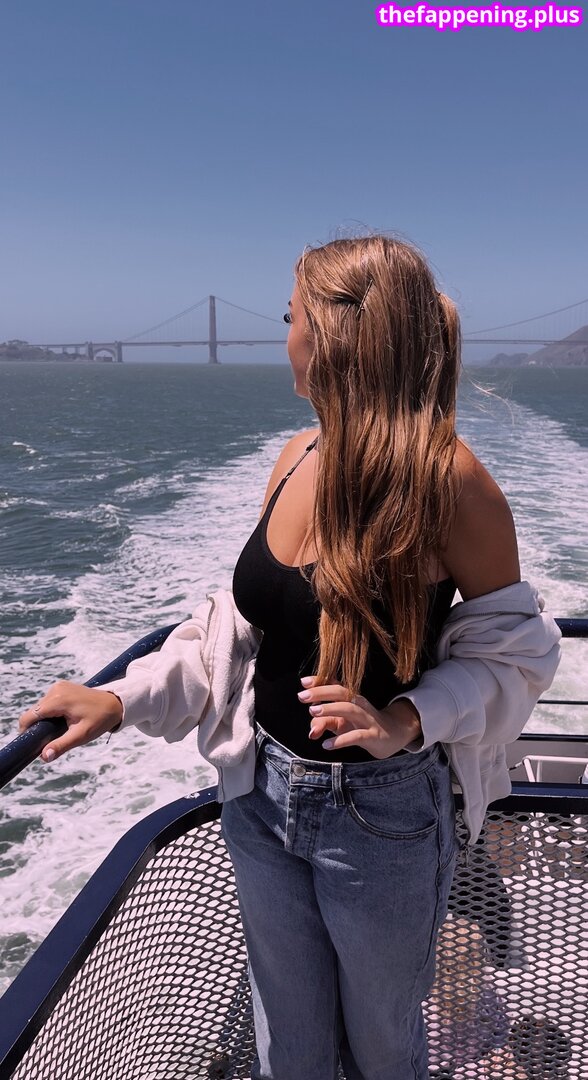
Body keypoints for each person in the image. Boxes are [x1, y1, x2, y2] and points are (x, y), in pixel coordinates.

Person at [19, 235, 562, 1080]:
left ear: (336, 334)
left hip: (381, 817)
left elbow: (518, 656)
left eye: (290, 317)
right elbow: (240, 629)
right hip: (260, 796)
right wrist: (122, 698)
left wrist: (406, 718)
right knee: (288, 1039)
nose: (285, 338)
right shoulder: (295, 456)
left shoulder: (451, 482)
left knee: (383, 1046)